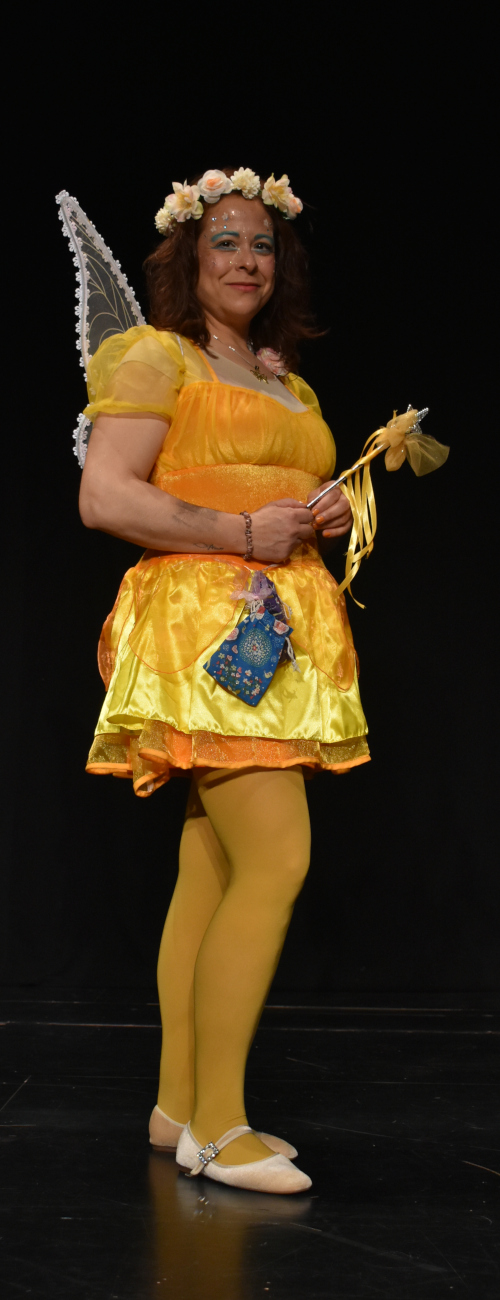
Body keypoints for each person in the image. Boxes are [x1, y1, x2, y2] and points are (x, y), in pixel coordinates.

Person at [79, 167, 369, 1194]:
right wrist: (243, 531)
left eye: (262, 245)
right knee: (277, 857)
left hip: (277, 629)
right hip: (208, 628)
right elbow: (105, 495)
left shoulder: (286, 378)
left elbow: (273, 483)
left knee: (208, 867)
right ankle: (219, 1126)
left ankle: (177, 1105)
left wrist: (322, 508)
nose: (247, 260)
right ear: (189, 258)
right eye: (226, 242)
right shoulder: (156, 357)